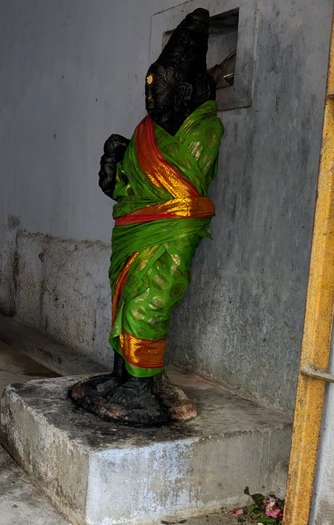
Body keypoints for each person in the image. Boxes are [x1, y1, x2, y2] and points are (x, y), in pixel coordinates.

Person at [70, 8, 224, 426]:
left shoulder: (204, 131)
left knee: (149, 302)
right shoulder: (145, 131)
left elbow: (178, 189)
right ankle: (122, 374)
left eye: (160, 91)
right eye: (148, 91)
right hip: (132, 229)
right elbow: (123, 191)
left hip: (169, 231)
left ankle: (141, 388)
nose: (150, 100)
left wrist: (134, 181)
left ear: (185, 92)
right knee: (123, 300)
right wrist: (113, 165)